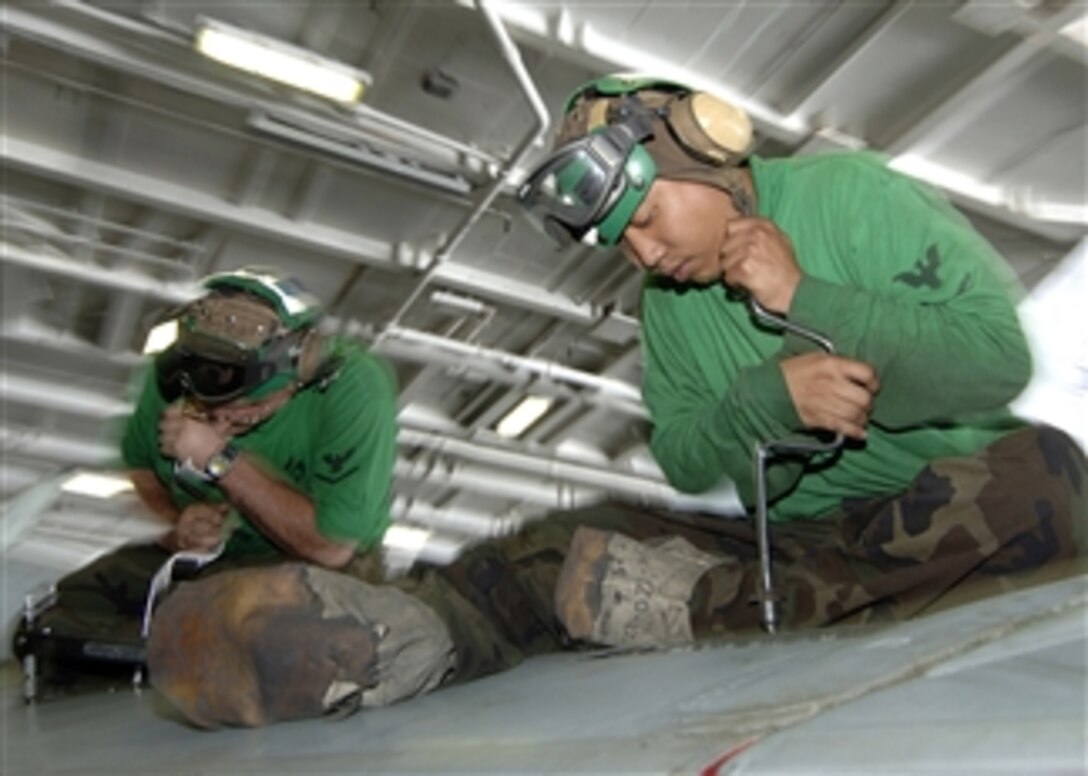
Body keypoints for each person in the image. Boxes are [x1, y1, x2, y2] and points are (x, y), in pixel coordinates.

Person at [142, 77, 1085, 729]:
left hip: (939, 504)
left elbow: (994, 364)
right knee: (563, 538)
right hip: (798, 545)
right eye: (618, 243)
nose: (643, 256)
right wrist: (764, 398)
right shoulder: (668, 307)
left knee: (1041, 476)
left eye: (643, 219)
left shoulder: (852, 195)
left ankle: (719, 610)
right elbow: (685, 455)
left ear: (709, 154)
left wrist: (813, 303)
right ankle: (387, 637)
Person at [13, 266, 399, 700]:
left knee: (236, 629)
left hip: (322, 565)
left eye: (247, 408)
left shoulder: (354, 389)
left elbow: (331, 548)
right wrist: (177, 525)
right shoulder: (171, 376)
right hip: (224, 555)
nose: (223, 419)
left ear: (297, 375)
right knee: (72, 608)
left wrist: (221, 459)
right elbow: (142, 469)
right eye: (209, 408)